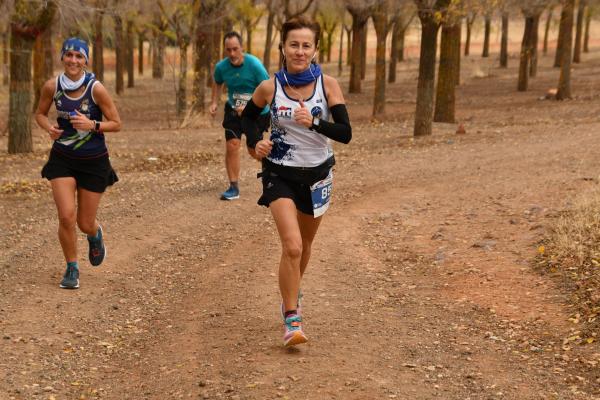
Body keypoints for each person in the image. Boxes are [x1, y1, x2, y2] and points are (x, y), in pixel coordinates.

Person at [241, 17, 352, 347]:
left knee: (304, 247)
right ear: (283, 48)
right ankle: (292, 318)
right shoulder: (269, 87)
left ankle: (292, 290)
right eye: (294, 44)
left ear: (315, 49)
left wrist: (315, 121)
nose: (300, 51)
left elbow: (345, 133)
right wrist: (254, 142)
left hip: (318, 176)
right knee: (292, 245)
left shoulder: (328, 85)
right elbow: (246, 117)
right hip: (279, 174)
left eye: (306, 45)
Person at [35, 37, 121, 289]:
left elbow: (117, 123)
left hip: (94, 161)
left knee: (84, 222)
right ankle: (72, 267)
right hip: (62, 158)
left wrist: (92, 125)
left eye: (79, 56)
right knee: (65, 217)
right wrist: (48, 127)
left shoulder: (96, 89)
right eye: (69, 55)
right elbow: (39, 113)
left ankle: (94, 235)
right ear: (62, 57)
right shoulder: (52, 86)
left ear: (86, 60)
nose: (73, 60)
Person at [209, 31, 270, 200]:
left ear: (242, 47)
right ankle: (233, 187)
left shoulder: (255, 65)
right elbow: (217, 81)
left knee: (254, 151)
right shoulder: (222, 67)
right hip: (233, 111)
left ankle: (270, 166)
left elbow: (268, 89)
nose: (232, 54)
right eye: (228, 50)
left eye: (235, 49)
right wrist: (214, 102)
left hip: (257, 113)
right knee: (232, 145)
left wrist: (251, 107)